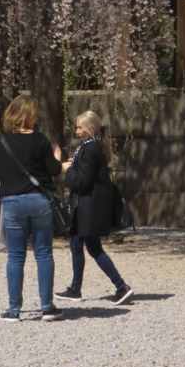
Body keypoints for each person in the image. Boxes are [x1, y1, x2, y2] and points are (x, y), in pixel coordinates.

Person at [0, 94, 63, 321]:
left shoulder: (2, 142)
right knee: (43, 253)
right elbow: (53, 170)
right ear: (30, 116)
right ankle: (46, 306)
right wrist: (56, 156)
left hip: (12, 201)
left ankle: (14, 309)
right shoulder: (40, 140)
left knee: (15, 256)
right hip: (38, 199)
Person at [56, 110, 133, 305]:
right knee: (80, 245)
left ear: (90, 128)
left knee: (91, 248)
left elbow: (82, 182)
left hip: (87, 207)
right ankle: (77, 288)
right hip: (85, 206)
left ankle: (120, 286)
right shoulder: (88, 147)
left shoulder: (90, 149)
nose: (76, 130)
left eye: (80, 127)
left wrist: (67, 170)